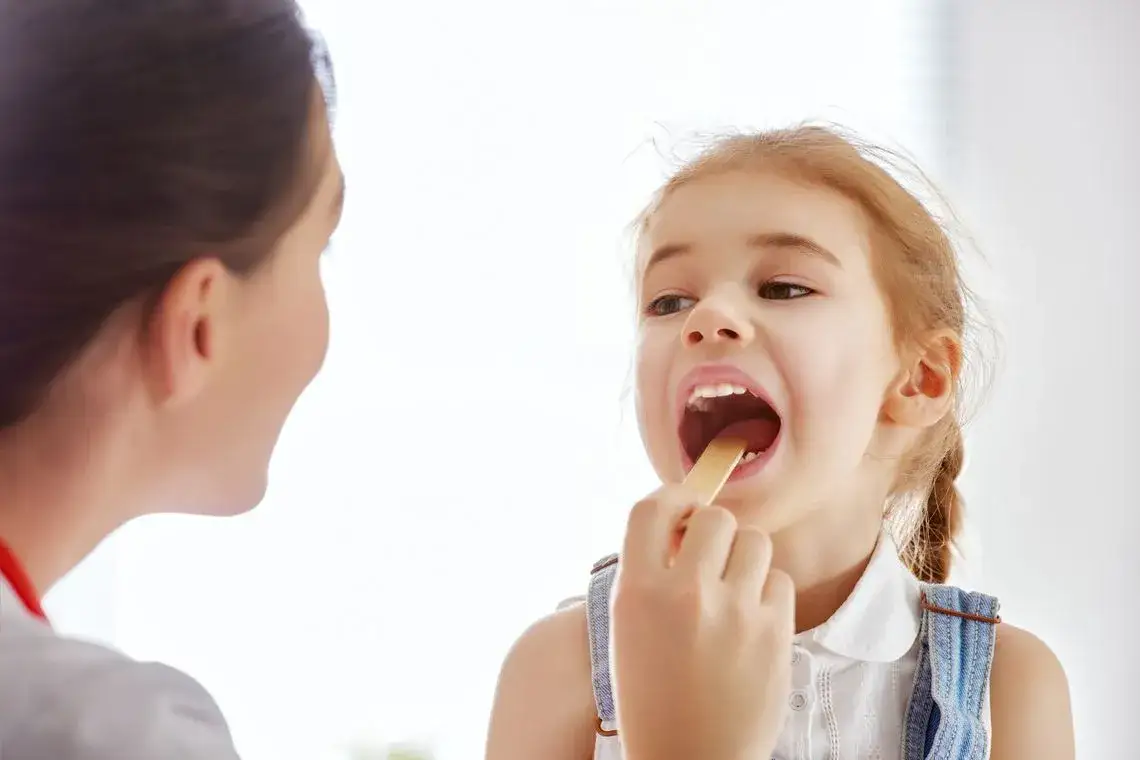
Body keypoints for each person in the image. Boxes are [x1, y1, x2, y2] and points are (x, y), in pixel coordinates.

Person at [0, 2, 781, 759]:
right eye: (320, 249)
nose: (708, 322)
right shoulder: (102, 734)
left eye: (783, 288)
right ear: (199, 324)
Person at [485, 126, 1077, 760]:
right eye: (668, 300)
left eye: (784, 288)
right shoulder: (556, 669)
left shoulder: (1009, 690)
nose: (705, 317)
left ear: (918, 378)